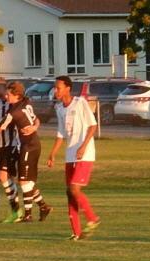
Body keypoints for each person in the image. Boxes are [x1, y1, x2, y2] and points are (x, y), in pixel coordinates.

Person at [0, 81, 52, 222]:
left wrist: (34, 127)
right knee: (19, 179)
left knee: (14, 178)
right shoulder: (2, 103)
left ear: (4, 88)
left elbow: (3, 126)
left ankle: (19, 211)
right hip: (6, 145)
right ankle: (40, 206)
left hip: (14, 144)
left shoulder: (13, 107)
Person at [47, 75, 100, 240]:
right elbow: (61, 133)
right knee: (69, 193)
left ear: (68, 88)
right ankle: (76, 233)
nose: (56, 90)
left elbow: (93, 125)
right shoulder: (59, 108)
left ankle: (92, 218)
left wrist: (83, 146)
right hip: (70, 155)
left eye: (58, 87)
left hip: (85, 154)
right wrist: (52, 154)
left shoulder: (80, 103)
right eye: (55, 88)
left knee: (74, 189)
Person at [0, 77, 21, 223]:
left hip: (11, 144)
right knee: (9, 179)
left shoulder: (12, 104)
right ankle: (18, 209)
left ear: (2, 88)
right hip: (0, 145)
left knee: (3, 176)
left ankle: (16, 210)